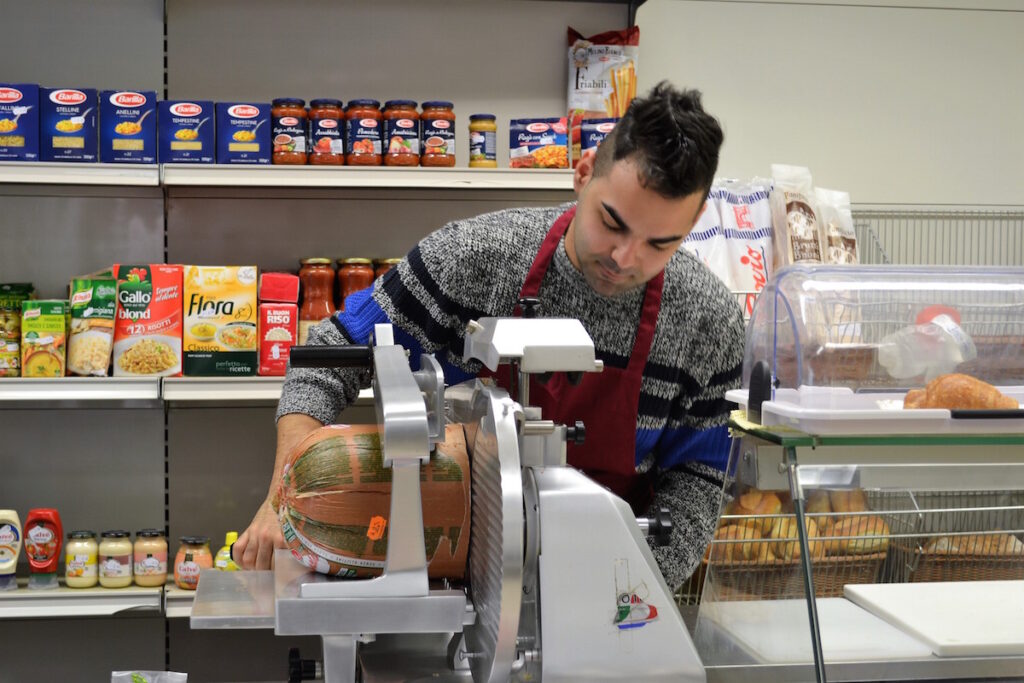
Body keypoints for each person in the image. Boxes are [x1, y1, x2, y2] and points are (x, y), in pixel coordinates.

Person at [235, 81, 745, 590]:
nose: (624, 258)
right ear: (584, 173)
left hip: (610, 593)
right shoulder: (474, 259)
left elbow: (698, 482)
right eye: (611, 223)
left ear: (696, 219)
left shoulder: (708, 322)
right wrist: (283, 496)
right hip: (451, 592)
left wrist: (621, 601)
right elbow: (327, 356)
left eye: (660, 243)